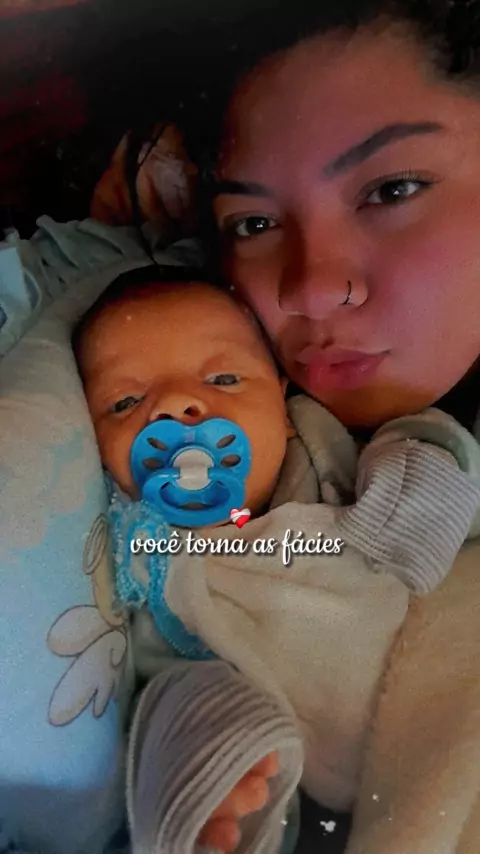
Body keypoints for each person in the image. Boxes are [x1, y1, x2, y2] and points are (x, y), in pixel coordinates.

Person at [74, 262, 480, 854]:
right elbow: (160, 682)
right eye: (126, 401)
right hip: (329, 777)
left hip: (439, 658)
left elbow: (435, 442)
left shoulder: (324, 451)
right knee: (201, 718)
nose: (179, 406)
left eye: (224, 379)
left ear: (282, 395)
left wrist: (416, 474)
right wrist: (208, 756)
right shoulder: (149, 560)